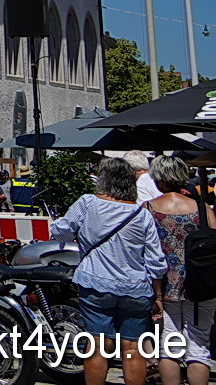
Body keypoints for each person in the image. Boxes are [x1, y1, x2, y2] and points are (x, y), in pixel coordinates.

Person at [50, 156, 167, 385]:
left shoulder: (87, 203)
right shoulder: (142, 213)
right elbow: (156, 261)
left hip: (96, 284)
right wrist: (158, 295)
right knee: (132, 347)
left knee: (98, 344)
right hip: (136, 288)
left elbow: (61, 233)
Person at [146, 156, 216, 385]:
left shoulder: (149, 208)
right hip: (202, 285)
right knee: (198, 346)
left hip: (165, 286)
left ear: (159, 179)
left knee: (169, 347)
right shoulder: (202, 208)